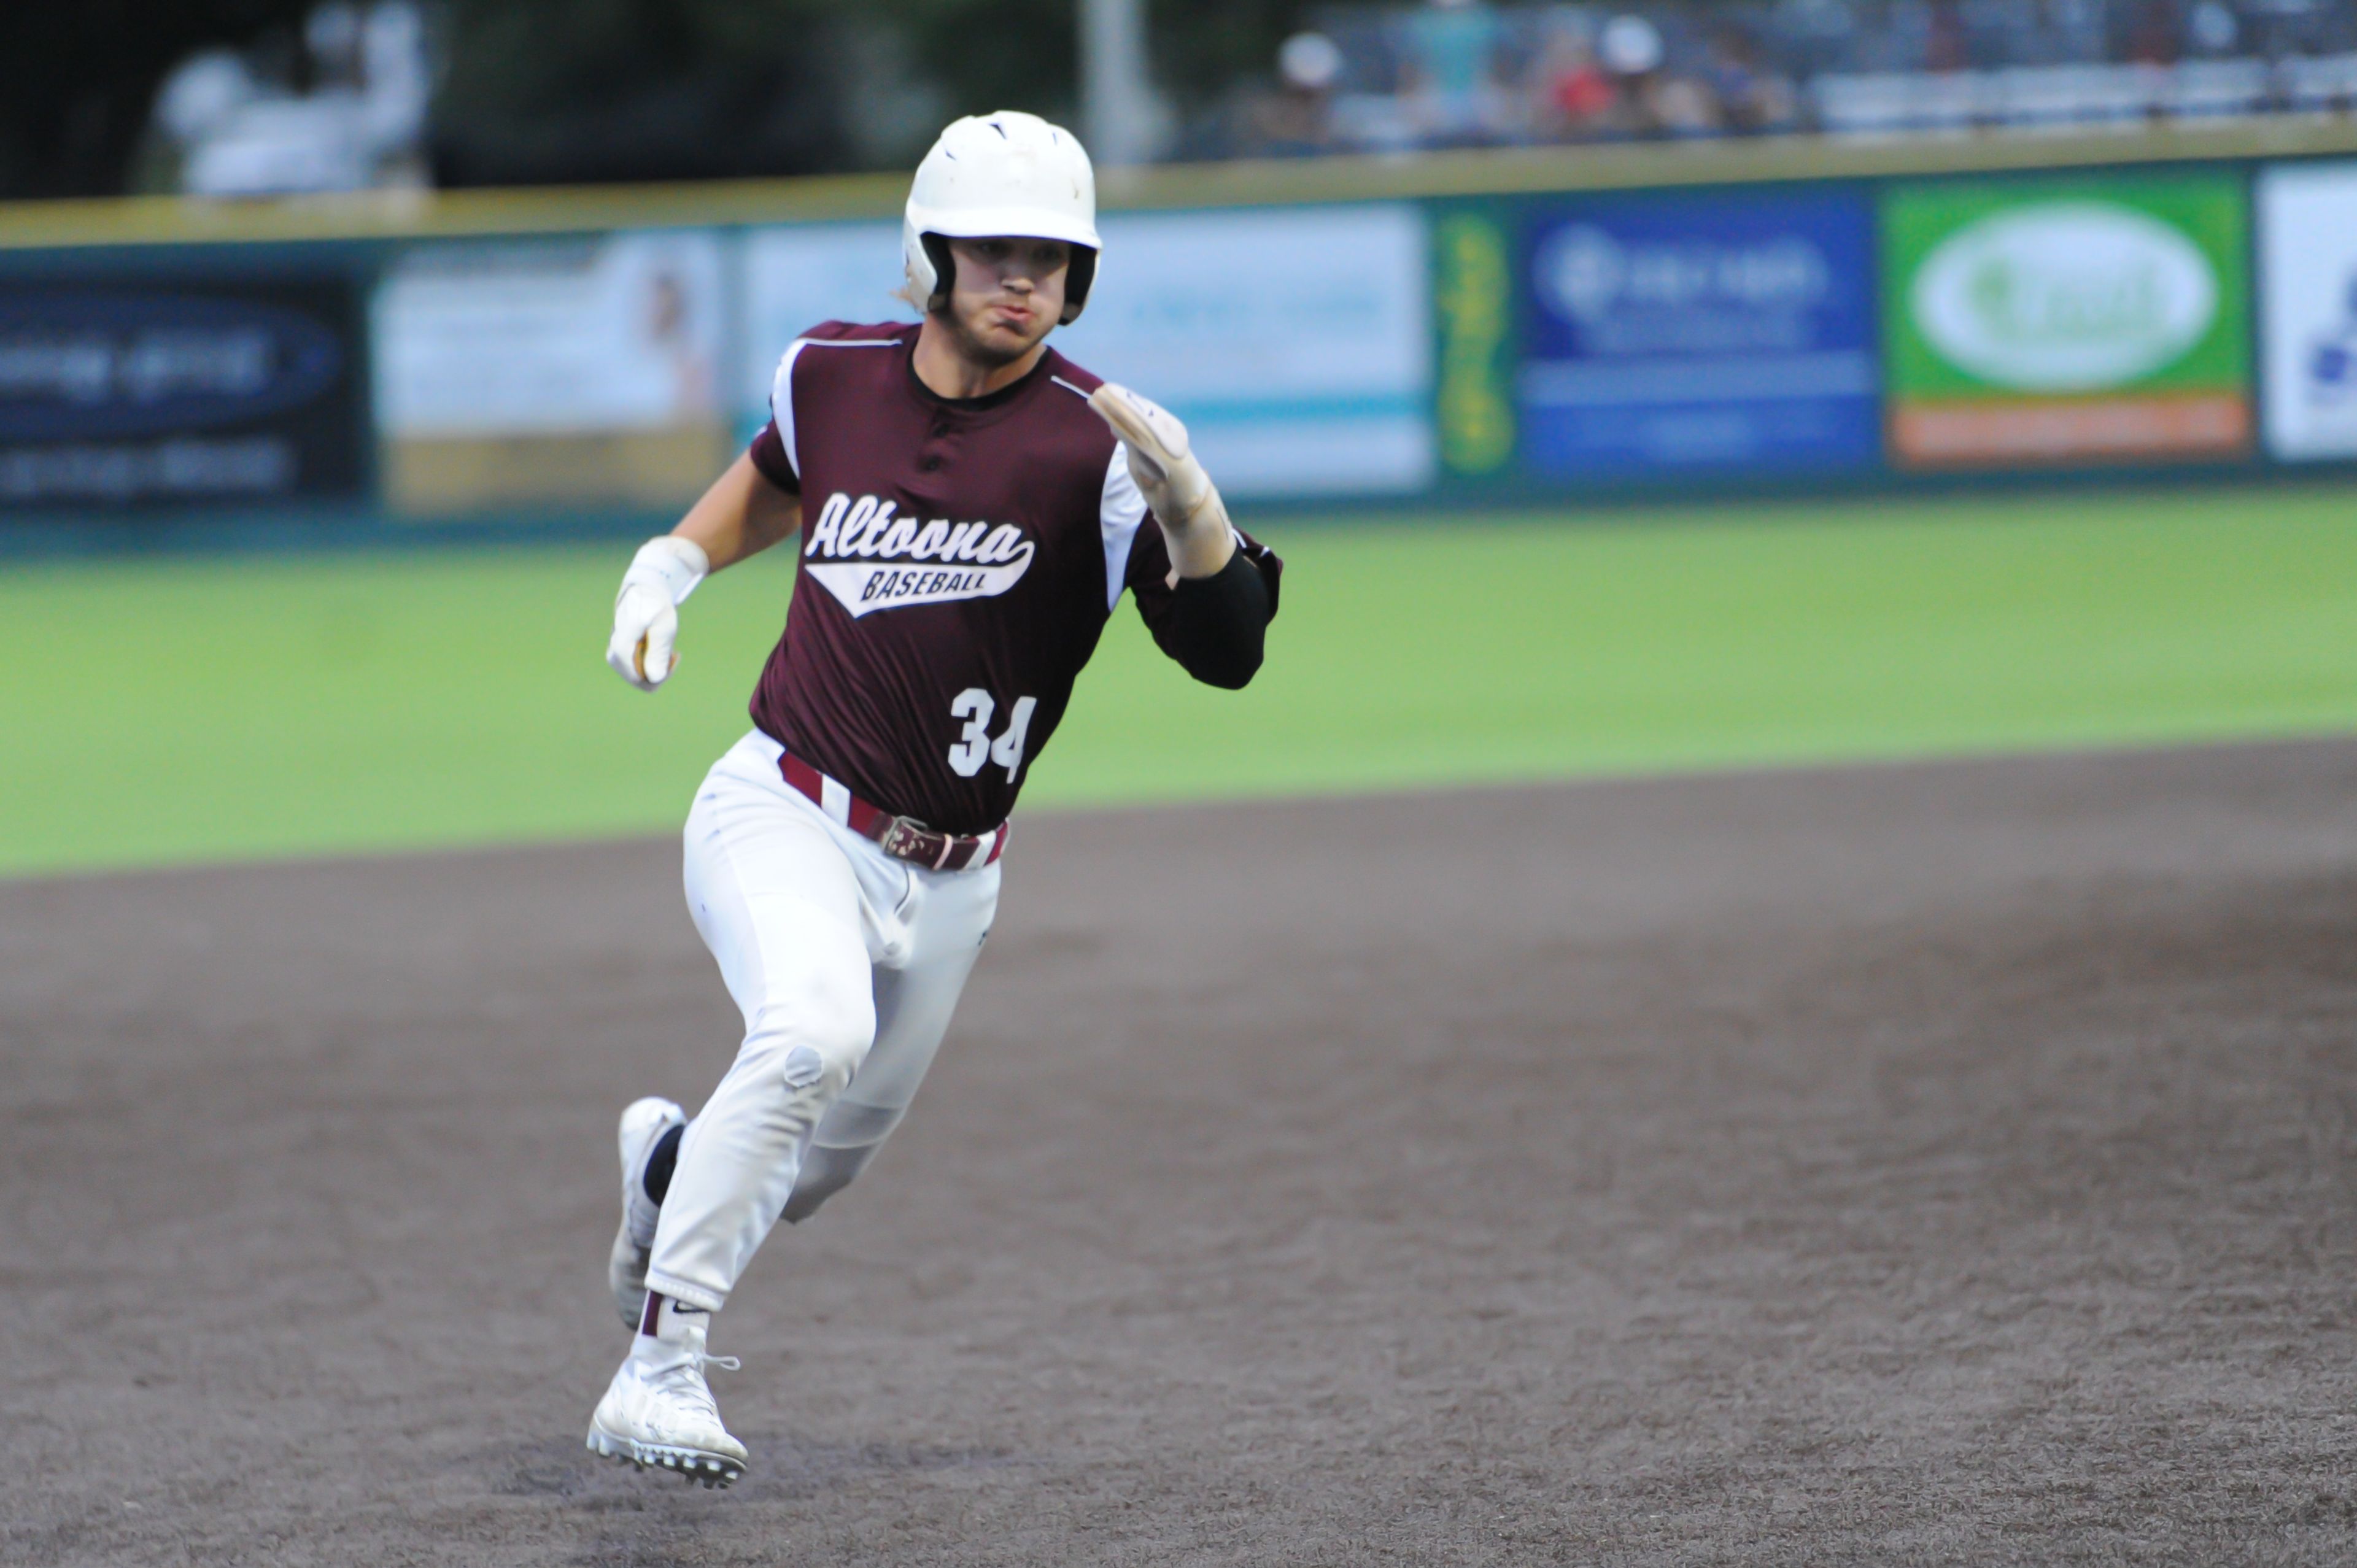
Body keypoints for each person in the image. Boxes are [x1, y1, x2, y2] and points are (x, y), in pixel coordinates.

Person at [583, 110, 1283, 1488]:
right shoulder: (833, 372)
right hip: (782, 807)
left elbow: (1232, 652)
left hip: (957, 878)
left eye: (1053, 256)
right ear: (935, 251)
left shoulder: (1099, 450)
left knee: (819, 1169)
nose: (1023, 277)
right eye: (996, 249)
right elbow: (776, 483)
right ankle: (654, 1371)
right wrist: (669, 563)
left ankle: (670, 1174)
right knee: (809, 1034)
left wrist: (1196, 511)